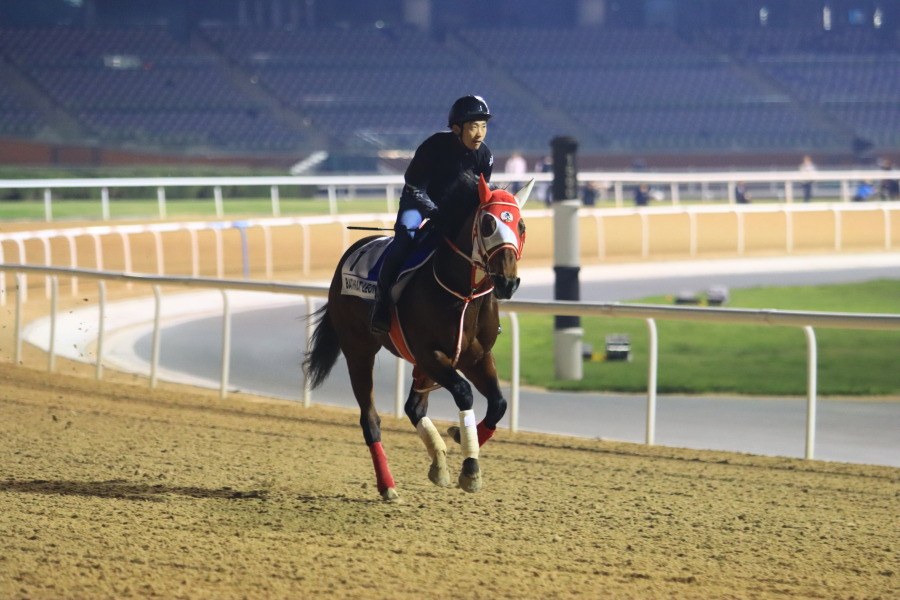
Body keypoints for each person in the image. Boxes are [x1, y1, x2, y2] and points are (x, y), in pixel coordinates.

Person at [369, 95, 494, 334]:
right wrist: (435, 214)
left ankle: (483, 310)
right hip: (417, 202)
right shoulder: (433, 147)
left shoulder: (485, 156)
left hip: (452, 207)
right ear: (456, 129)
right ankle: (381, 305)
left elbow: (480, 194)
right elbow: (414, 187)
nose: (480, 134)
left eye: (484, 126)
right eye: (473, 127)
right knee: (404, 242)